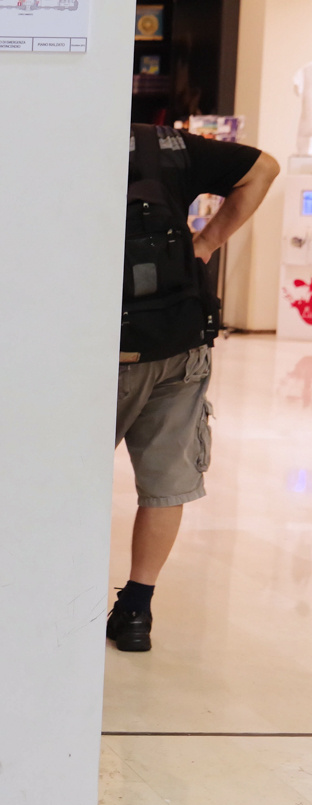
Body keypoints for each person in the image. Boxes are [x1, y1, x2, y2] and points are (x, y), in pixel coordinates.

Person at [109, 125, 277, 651]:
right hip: (178, 341)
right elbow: (263, 169)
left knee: (64, 482)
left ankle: (57, 596)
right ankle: (137, 610)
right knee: (165, 483)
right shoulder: (168, 144)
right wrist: (205, 243)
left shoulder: (58, 144)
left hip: (99, 350)